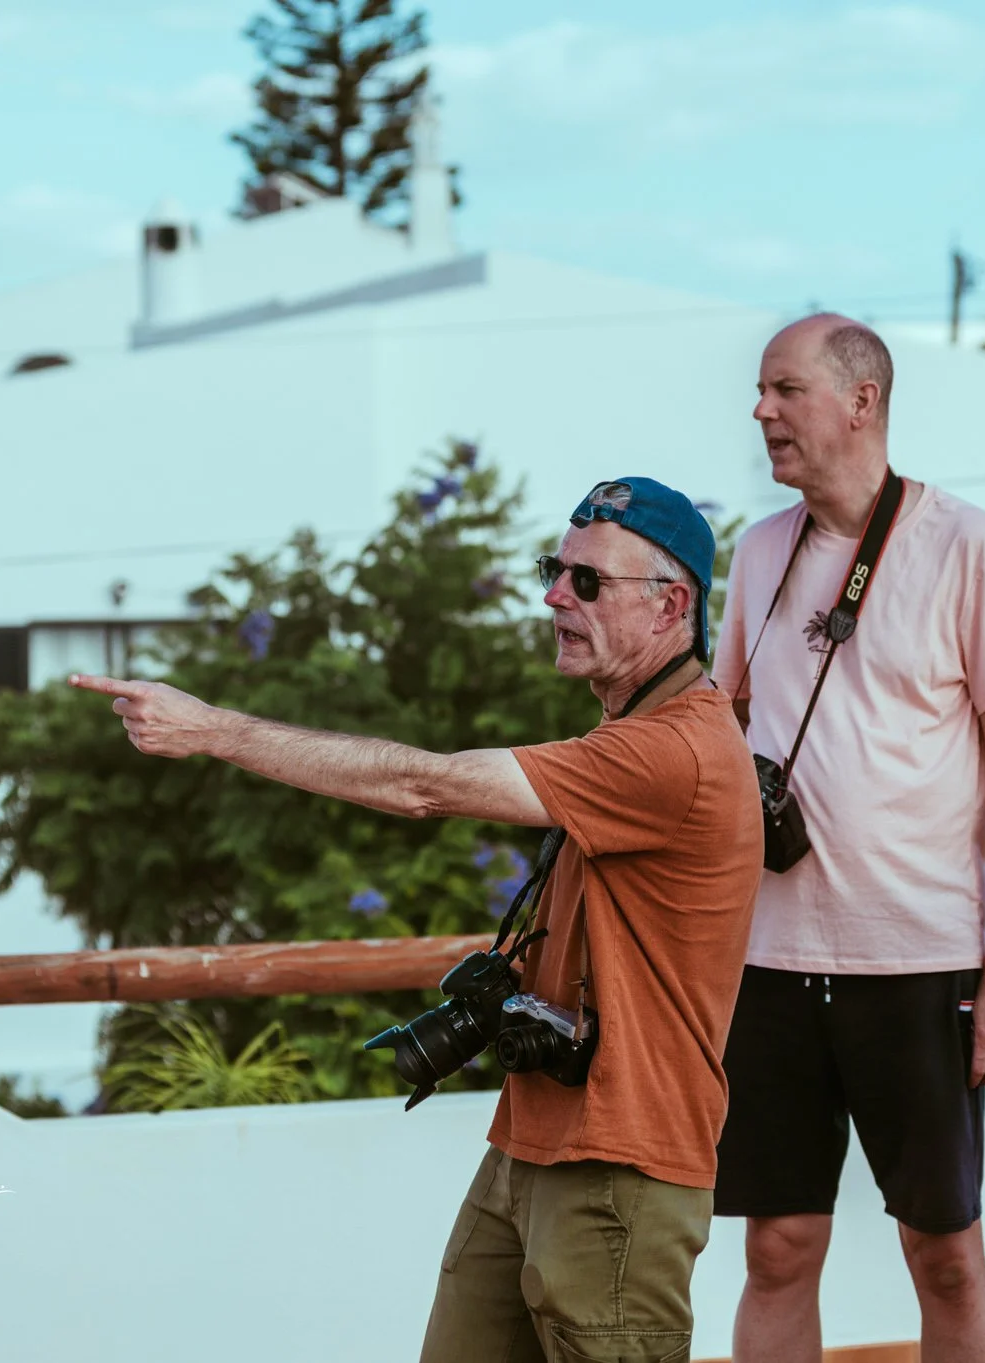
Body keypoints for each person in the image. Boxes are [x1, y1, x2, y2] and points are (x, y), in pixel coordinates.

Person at [72, 475, 764, 1363]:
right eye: (555, 570)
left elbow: (422, 785)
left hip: (618, 1169)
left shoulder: (674, 750)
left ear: (671, 606)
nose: (555, 596)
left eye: (588, 581)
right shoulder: (627, 734)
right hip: (536, 1141)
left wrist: (215, 730)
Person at [713, 314, 985, 1363]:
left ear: (861, 401)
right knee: (775, 1247)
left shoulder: (968, 544)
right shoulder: (757, 550)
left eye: (785, 390)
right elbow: (722, 732)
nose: (761, 411)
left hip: (918, 960)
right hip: (770, 960)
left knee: (944, 1253)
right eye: (760, 391)